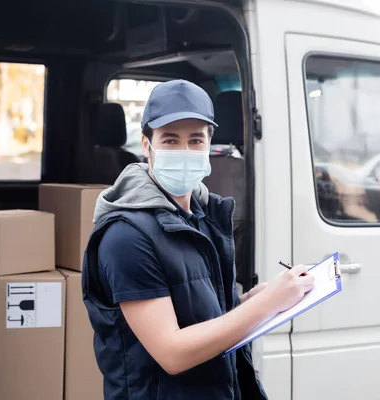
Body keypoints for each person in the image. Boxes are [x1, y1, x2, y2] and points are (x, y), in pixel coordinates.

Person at [82, 79, 314, 400]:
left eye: (195, 140)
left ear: (209, 144)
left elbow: (206, 316)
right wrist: (265, 305)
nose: (185, 151)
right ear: (147, 146)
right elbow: (172, 352)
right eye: (170, 140)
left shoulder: (203, 215)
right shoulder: (126, 236)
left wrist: (259, 299)